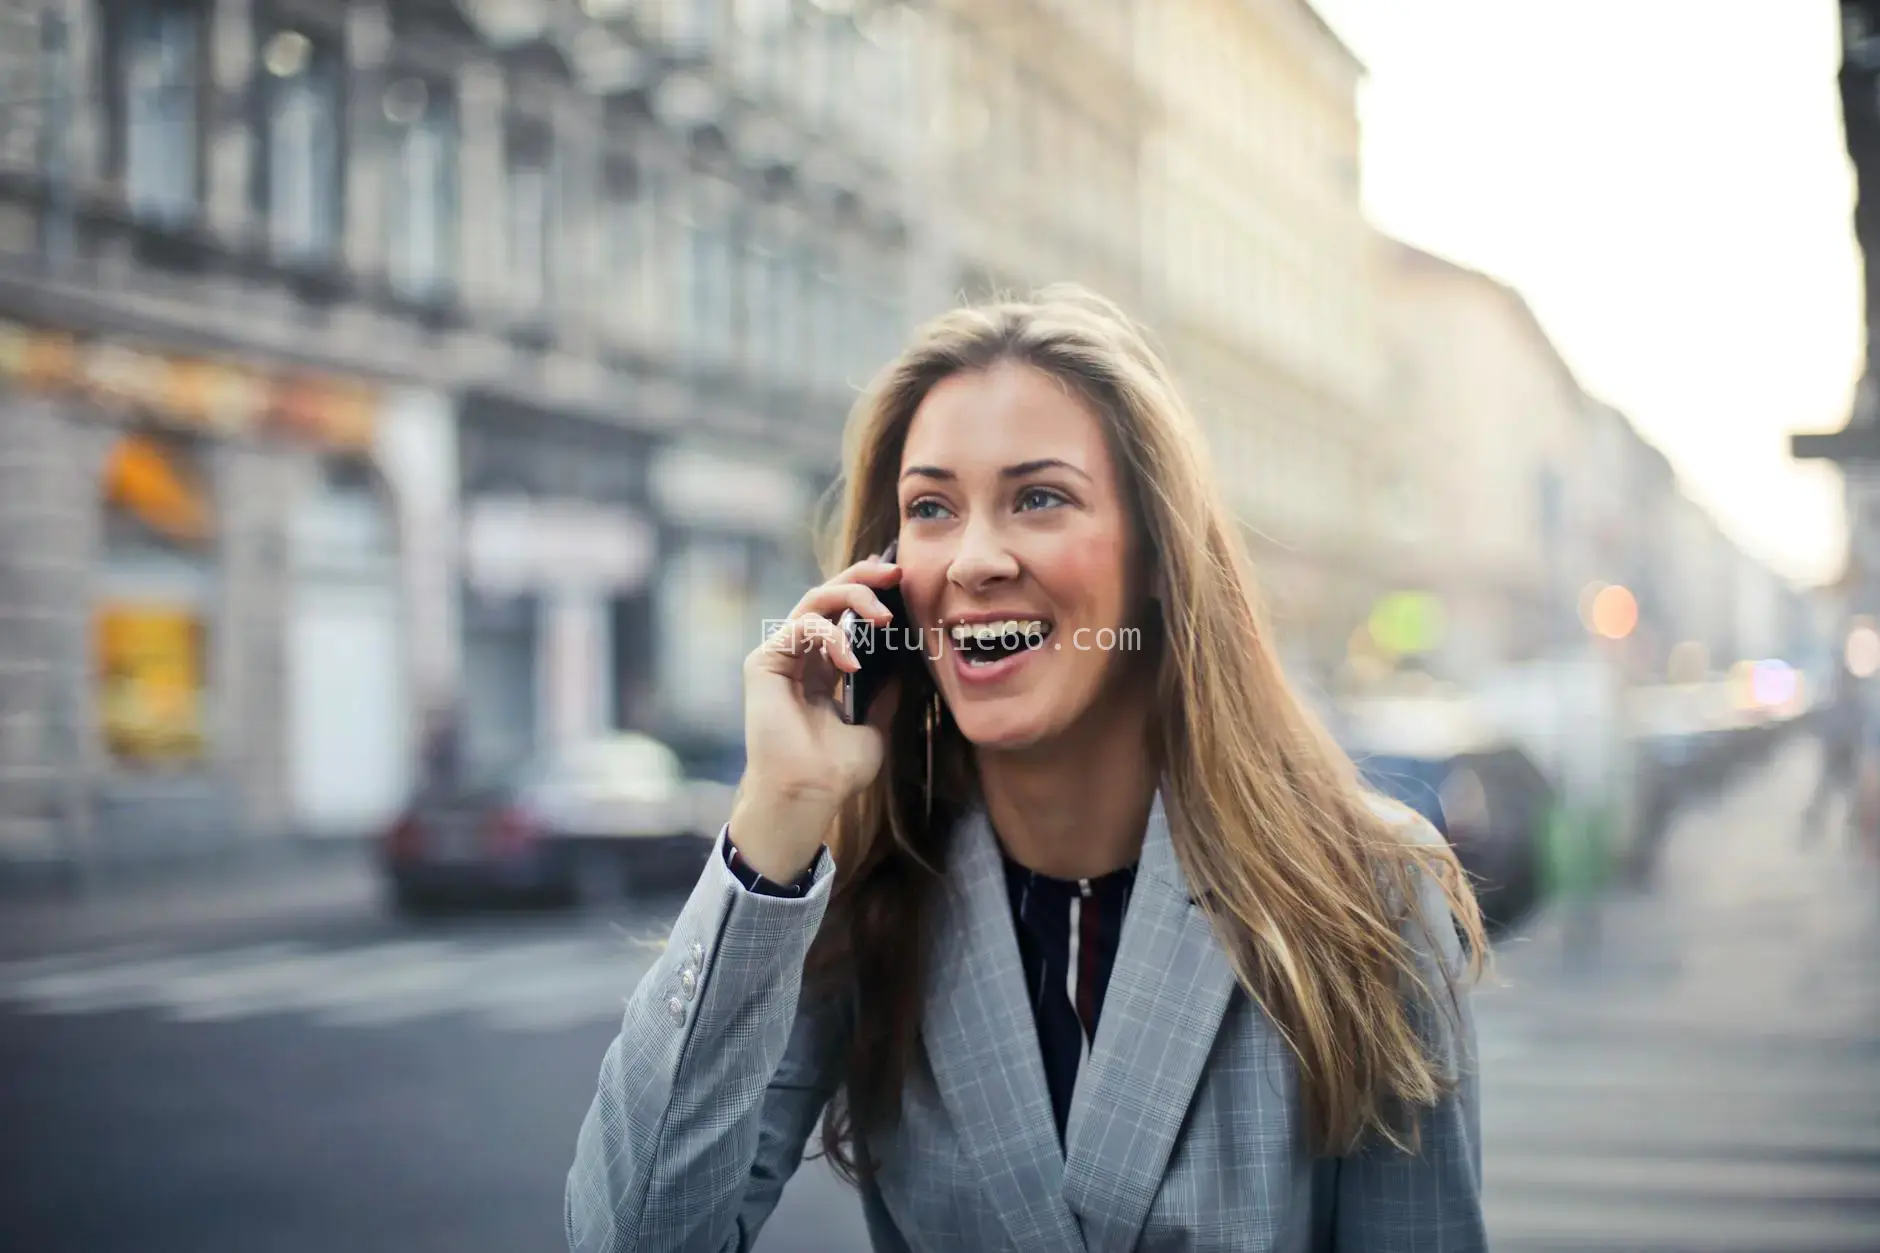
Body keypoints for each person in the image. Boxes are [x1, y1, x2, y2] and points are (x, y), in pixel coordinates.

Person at [565, 286, 1490, 1253]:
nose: (972, 558)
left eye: (1038, 497)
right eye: (930, 508)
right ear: (885, 571)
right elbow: (630, 1237)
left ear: (1159, 557)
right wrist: (777, 812)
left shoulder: (1362, 889)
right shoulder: (868, 894)